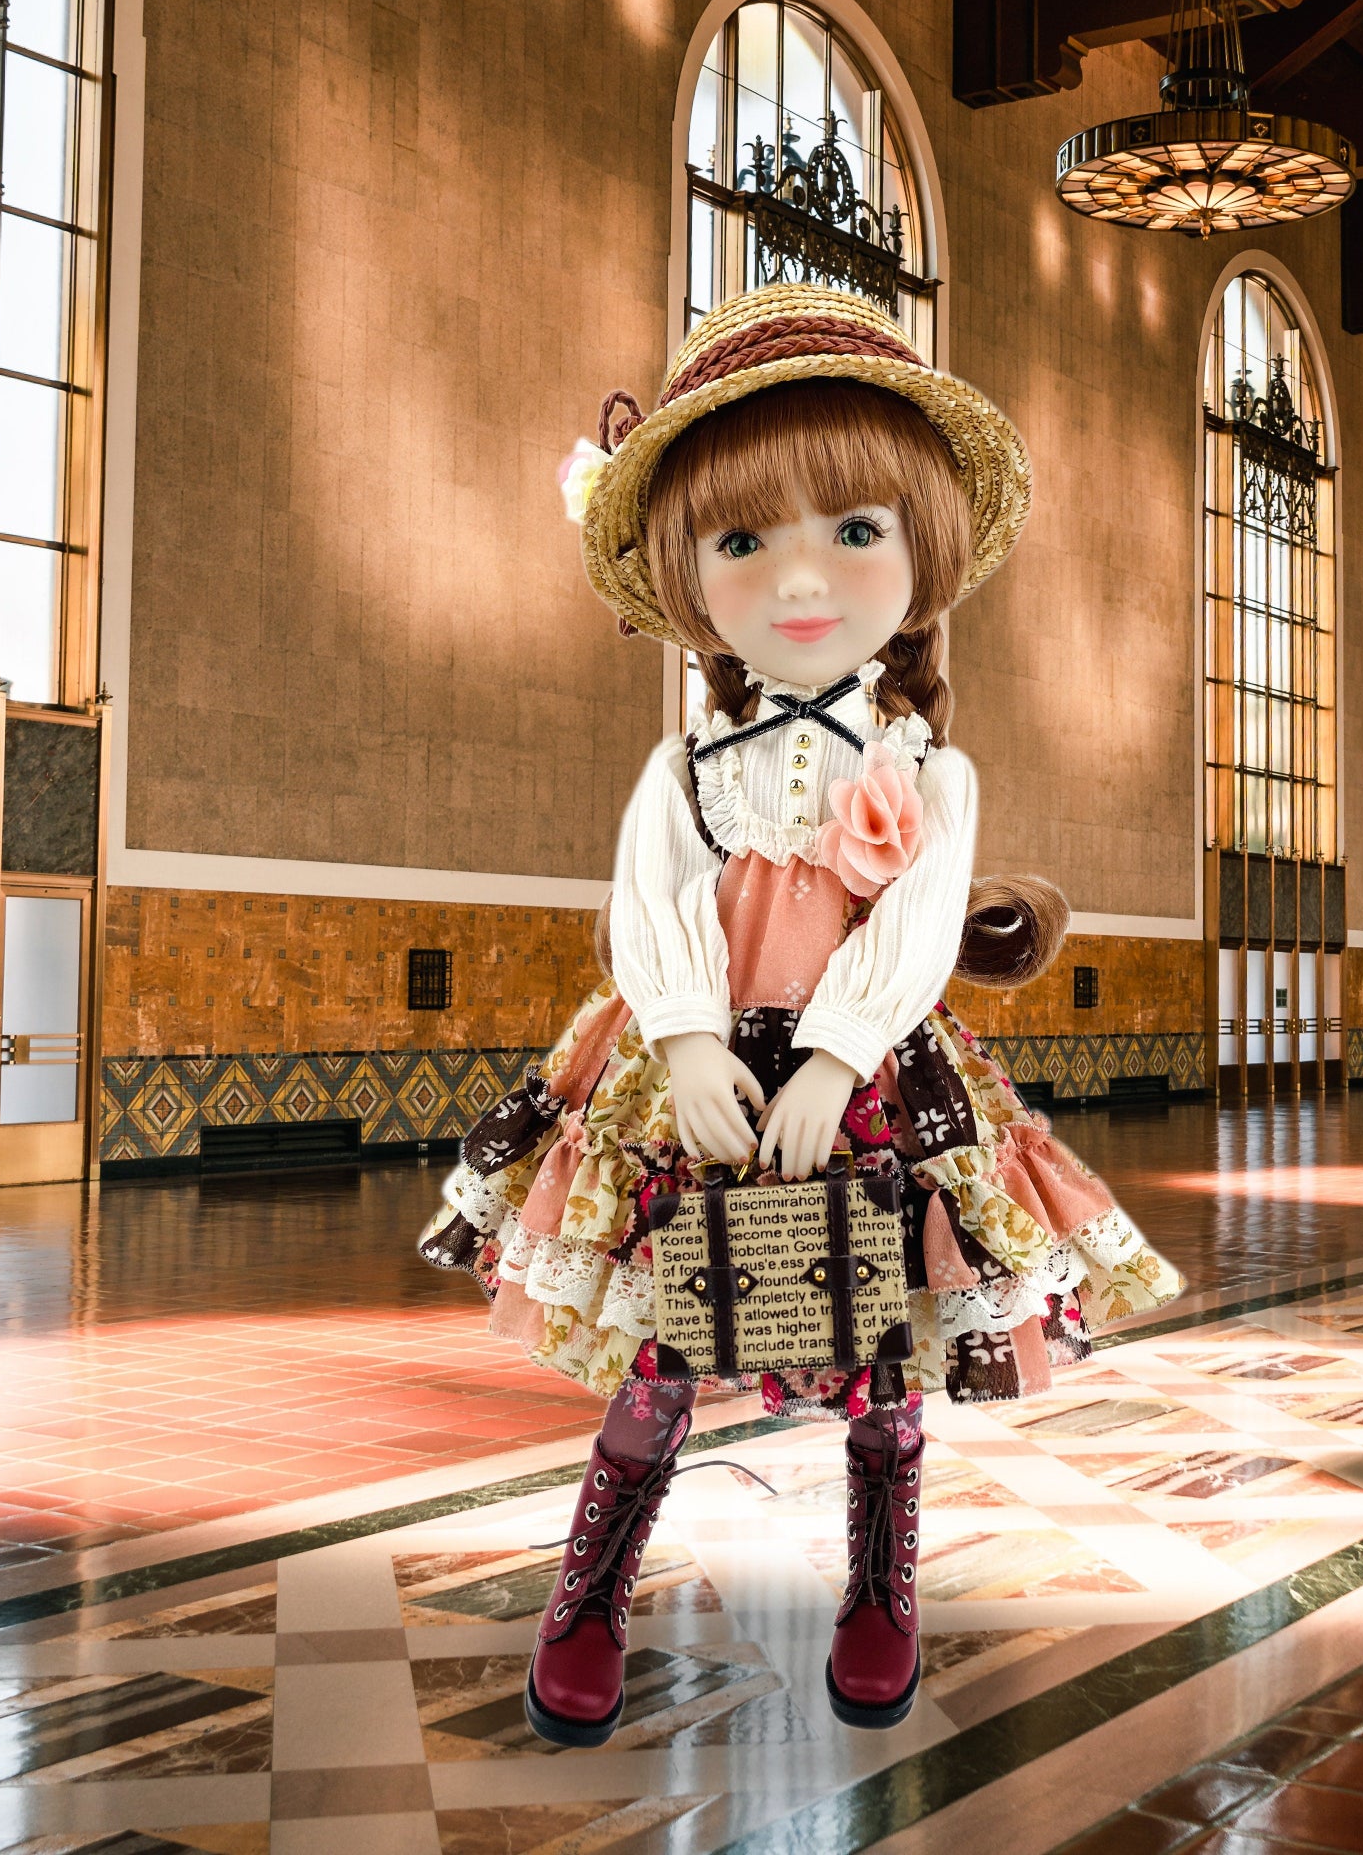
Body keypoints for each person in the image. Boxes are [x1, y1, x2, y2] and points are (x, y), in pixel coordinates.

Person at [420, 283, 1181, 1746]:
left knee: (881, 1342)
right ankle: (591, 1593)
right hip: (689, 1080)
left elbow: (913, 922)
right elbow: (651, 908)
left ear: (923, 550)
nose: (800, 579)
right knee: (663, 1351)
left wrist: (836, 1056)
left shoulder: (928, 773)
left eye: (853, 528)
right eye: (742, 542)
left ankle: (879, 1585)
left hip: (872, 1080)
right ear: (687, 574)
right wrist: (687, 1039)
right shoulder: (684, 769)